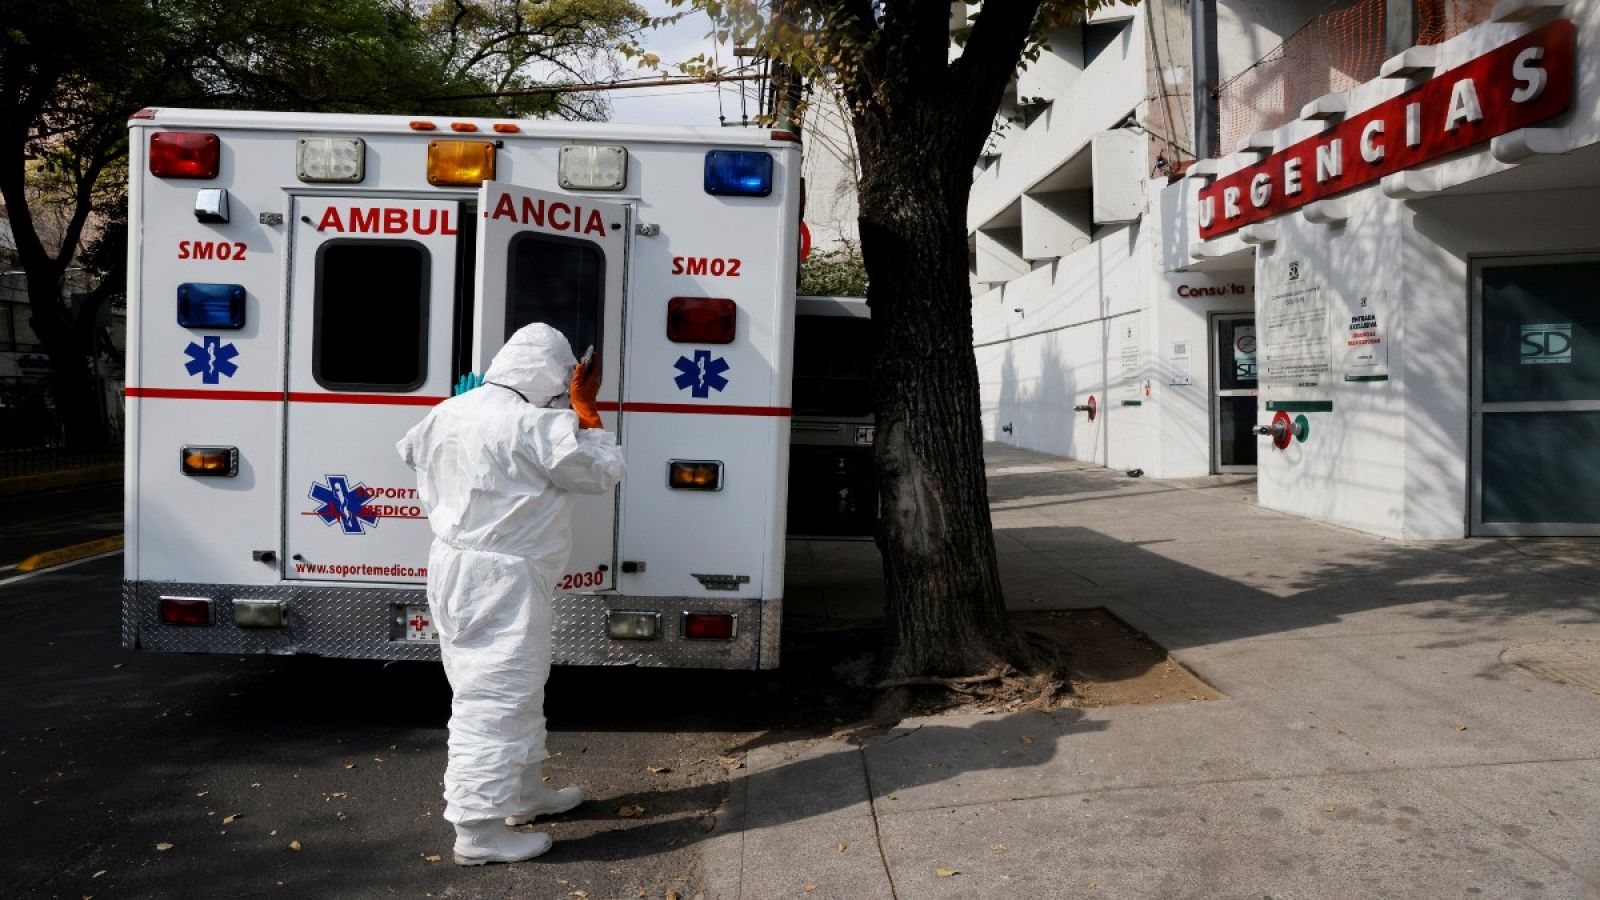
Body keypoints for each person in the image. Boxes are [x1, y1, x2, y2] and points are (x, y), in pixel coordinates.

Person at [397, 323, 626, 865]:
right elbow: (601, 472)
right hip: (503, 578)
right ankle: (477, 830)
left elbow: (408, 450)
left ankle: (521, 793)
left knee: (513, 684)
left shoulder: (454, 410)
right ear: (552, 373)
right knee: (493, 697)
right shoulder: (537, 425)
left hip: (456, 566)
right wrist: (586, 413)